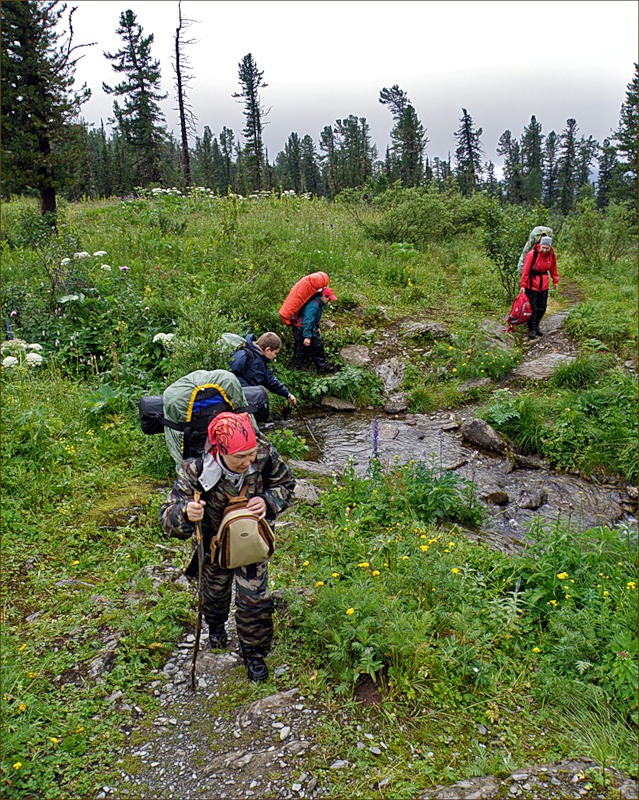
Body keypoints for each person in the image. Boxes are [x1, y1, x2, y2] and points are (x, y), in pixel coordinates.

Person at [159, 412, 295, 683]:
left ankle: (254, 655)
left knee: (255, 601)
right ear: (220, 451)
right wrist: (186, 512)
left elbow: (286, 484)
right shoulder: (195, 469)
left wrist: (268, 501)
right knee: (215, 594)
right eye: (240, 458)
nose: (248, 462)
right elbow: (166, 516)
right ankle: (217, 627)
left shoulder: (264, 455)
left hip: (251, 544)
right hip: (213, 547)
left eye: (251, 454)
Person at [229, 332, 297, 406]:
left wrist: (287, 395)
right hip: (237, 402)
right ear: (267, 350)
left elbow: (271, 381)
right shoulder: (244, 355)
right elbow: (230, 376)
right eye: (275, 353)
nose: (275, 356)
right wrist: (250, 390)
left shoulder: (261, 361)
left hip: (249, 401)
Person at [291, 287, 338, 373]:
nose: (329, 301)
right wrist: (307, 337)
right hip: (301, 329)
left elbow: (315, 318)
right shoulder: (313, 305)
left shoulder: (320, 304)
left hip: (309, 328)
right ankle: (294, 371)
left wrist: (317, 327)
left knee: (318, 346)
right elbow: (307, 321)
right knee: (301, 351)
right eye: (329, 299)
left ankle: (322, 367)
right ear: (324, 296)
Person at [520, 235, 558, 339]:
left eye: (547, 248)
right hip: (532, 285)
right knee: (533, 308)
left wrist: (555, 281)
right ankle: (532, 328)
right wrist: (523, 285)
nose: (544, 250)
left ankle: (535, 326)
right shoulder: (532, 254)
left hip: (544, 284)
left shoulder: (551, 255)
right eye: (543, 247)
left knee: (542, 308)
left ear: (550, 247)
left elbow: (553, 268)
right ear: (540, 245)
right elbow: (526, 270)